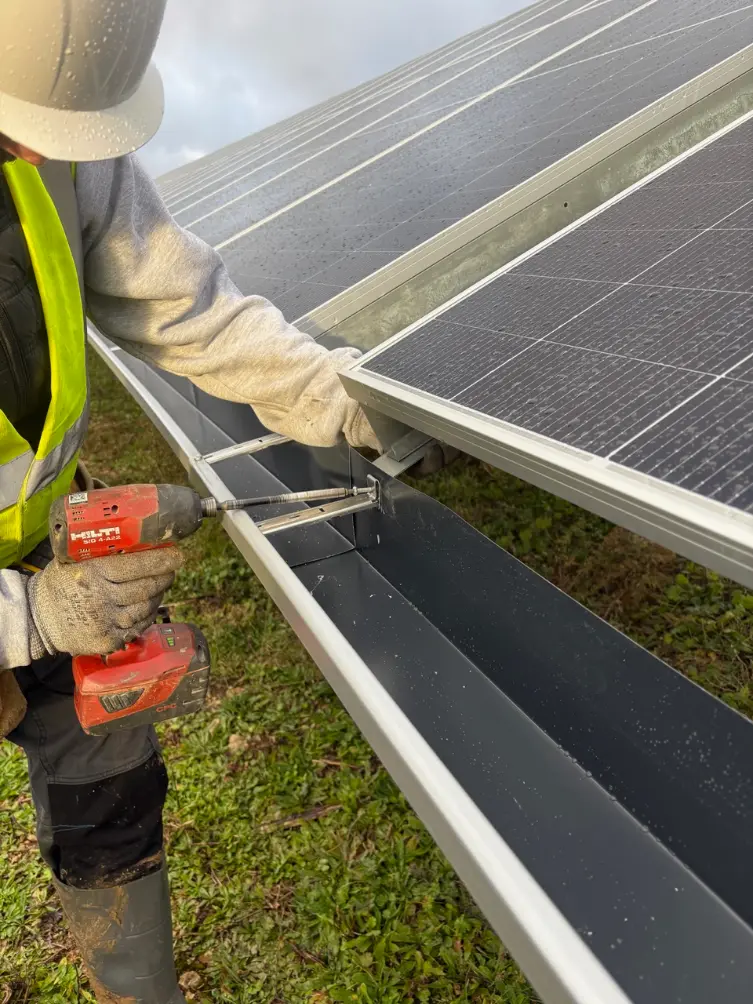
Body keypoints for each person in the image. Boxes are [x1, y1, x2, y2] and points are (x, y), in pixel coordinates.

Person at [0, 1, 381, 1001]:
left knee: (111, 787)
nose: (39, 157)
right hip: (28, 593)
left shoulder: (62, 120)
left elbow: (184, 306)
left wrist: (336, 397)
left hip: (45, 550)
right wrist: (24, 618)